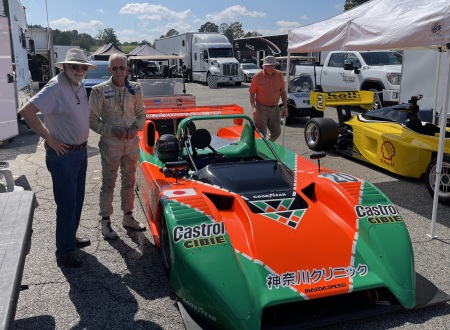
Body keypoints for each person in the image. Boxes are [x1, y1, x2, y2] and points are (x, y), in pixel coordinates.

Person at [18, 48, 96, 268]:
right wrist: (49, 139)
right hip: (64, 155)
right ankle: (64, 252)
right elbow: (26, 112)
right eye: (74, 66)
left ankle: (69, 239)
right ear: (65, 67)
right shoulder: (56, 86)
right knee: (67, 203)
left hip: (79, 152)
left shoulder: (78, 85)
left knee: (77, 200)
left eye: (83, 67)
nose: (80, 71)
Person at [89, 53, 146, 240]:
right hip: (110, 146)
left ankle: (128, 217)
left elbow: (141, 114)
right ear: (109, 70)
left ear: (127, 69)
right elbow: (91, 120)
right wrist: (110, 130)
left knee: (130, 181)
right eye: (115, 68)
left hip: (131, 145)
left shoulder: (135, 89)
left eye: (122, 68)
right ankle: (105, 221)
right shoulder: (98, 91)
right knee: (109, 183)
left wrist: (136, 127)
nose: (119, 71)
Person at [249, 56, 288, 142]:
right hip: (261, 108)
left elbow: (283, 92)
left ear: (275, 66)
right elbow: (252, 93)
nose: (271, 67)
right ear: (264, 66)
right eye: (268, 65)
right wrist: (254, 108)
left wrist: (285, 108)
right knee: (261, 134)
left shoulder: (279, 75)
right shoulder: (257, 76)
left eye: (272, 65)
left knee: (276, 132)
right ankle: (262, 150)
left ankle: (267, 145)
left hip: (275, 108)